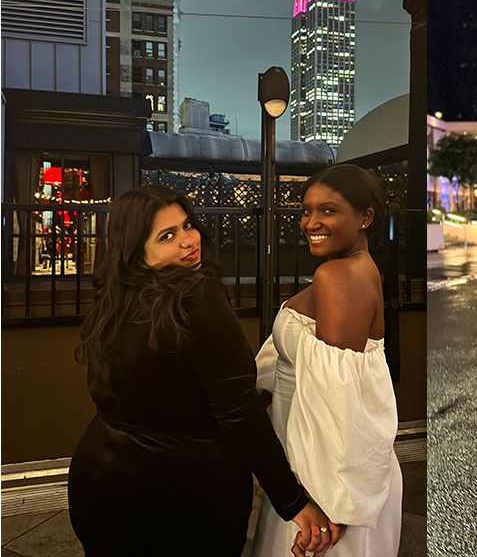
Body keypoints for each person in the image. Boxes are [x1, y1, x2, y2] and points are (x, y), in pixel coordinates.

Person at [68, 186, 337, 556]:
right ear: (136, 253)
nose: (188, 241)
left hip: (98, 481)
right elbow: (238, 409)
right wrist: (292, 502)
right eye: (167, 235)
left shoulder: (115, 299)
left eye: (187, 225)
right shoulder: (196, 295)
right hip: (180, 495)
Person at [254, 164, 402, 556]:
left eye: (329, 211)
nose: (311, 222)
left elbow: (338, 406)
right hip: (317, 469)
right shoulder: (359, 270)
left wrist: (331, 508)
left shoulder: (337, 277)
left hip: (322, 485)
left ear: (365, 218)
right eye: (306, 210)